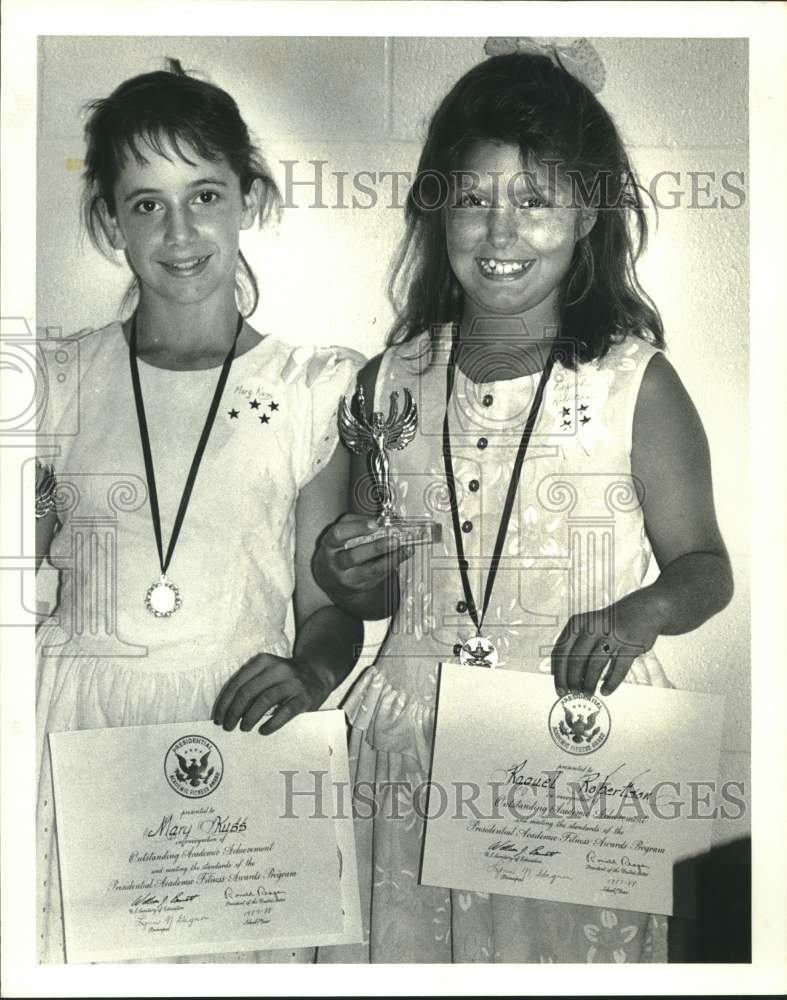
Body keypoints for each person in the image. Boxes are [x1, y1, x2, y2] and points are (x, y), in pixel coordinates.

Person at [313, 40, 734, 963]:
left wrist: (640, 613)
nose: (499, 235)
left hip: (569, 746)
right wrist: (346, 572)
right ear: (438, 212)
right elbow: (376, 594)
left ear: (586, 211)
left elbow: (706, 568)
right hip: (408, 748)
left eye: (533, 200)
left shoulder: (635, 382)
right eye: (473, 199)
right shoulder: (387, 381)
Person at [35, 59, 364, 964]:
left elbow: (326, 607)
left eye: (205, 194)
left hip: (235, 721)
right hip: (76, 724)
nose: (179, 232)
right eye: (145, 204)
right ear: (109, 222)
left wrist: (311, 674)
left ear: (249, 200)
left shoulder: (307, 390)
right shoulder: (53, 382)